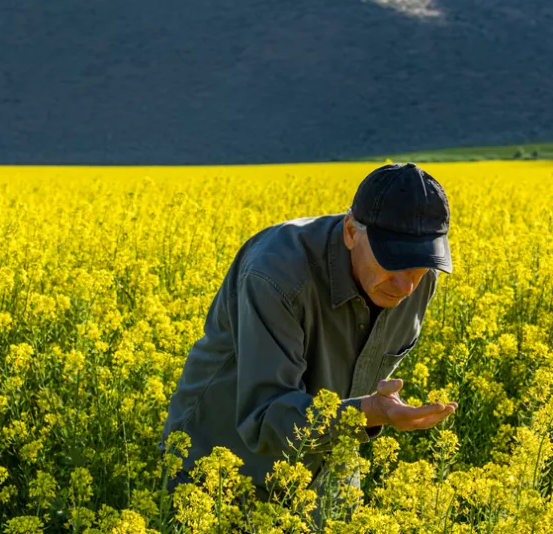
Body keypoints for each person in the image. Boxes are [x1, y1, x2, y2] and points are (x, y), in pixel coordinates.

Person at [159, 162, 458, 516]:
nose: (407, 285)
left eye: (421, 264)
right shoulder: (275, 276)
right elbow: (265, 415)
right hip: (222, 473)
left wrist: (372, 411)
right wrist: (370, 412)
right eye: (393, 262)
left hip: (323, 474)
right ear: (350, 231)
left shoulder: (418, 282)